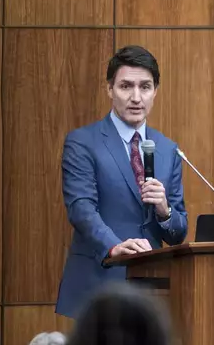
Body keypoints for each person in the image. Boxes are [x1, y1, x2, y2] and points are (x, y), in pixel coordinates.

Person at [55, 45, 188, 319]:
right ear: (109, 89)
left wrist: (165, 211)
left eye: (145, 87)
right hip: (98, 283)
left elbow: (178, 232)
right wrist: (114, 246)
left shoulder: (167, 149)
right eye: (126, 86)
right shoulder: (82, 142)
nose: (136, 97)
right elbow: (81, 209)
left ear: (155, 91)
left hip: (152, 290)